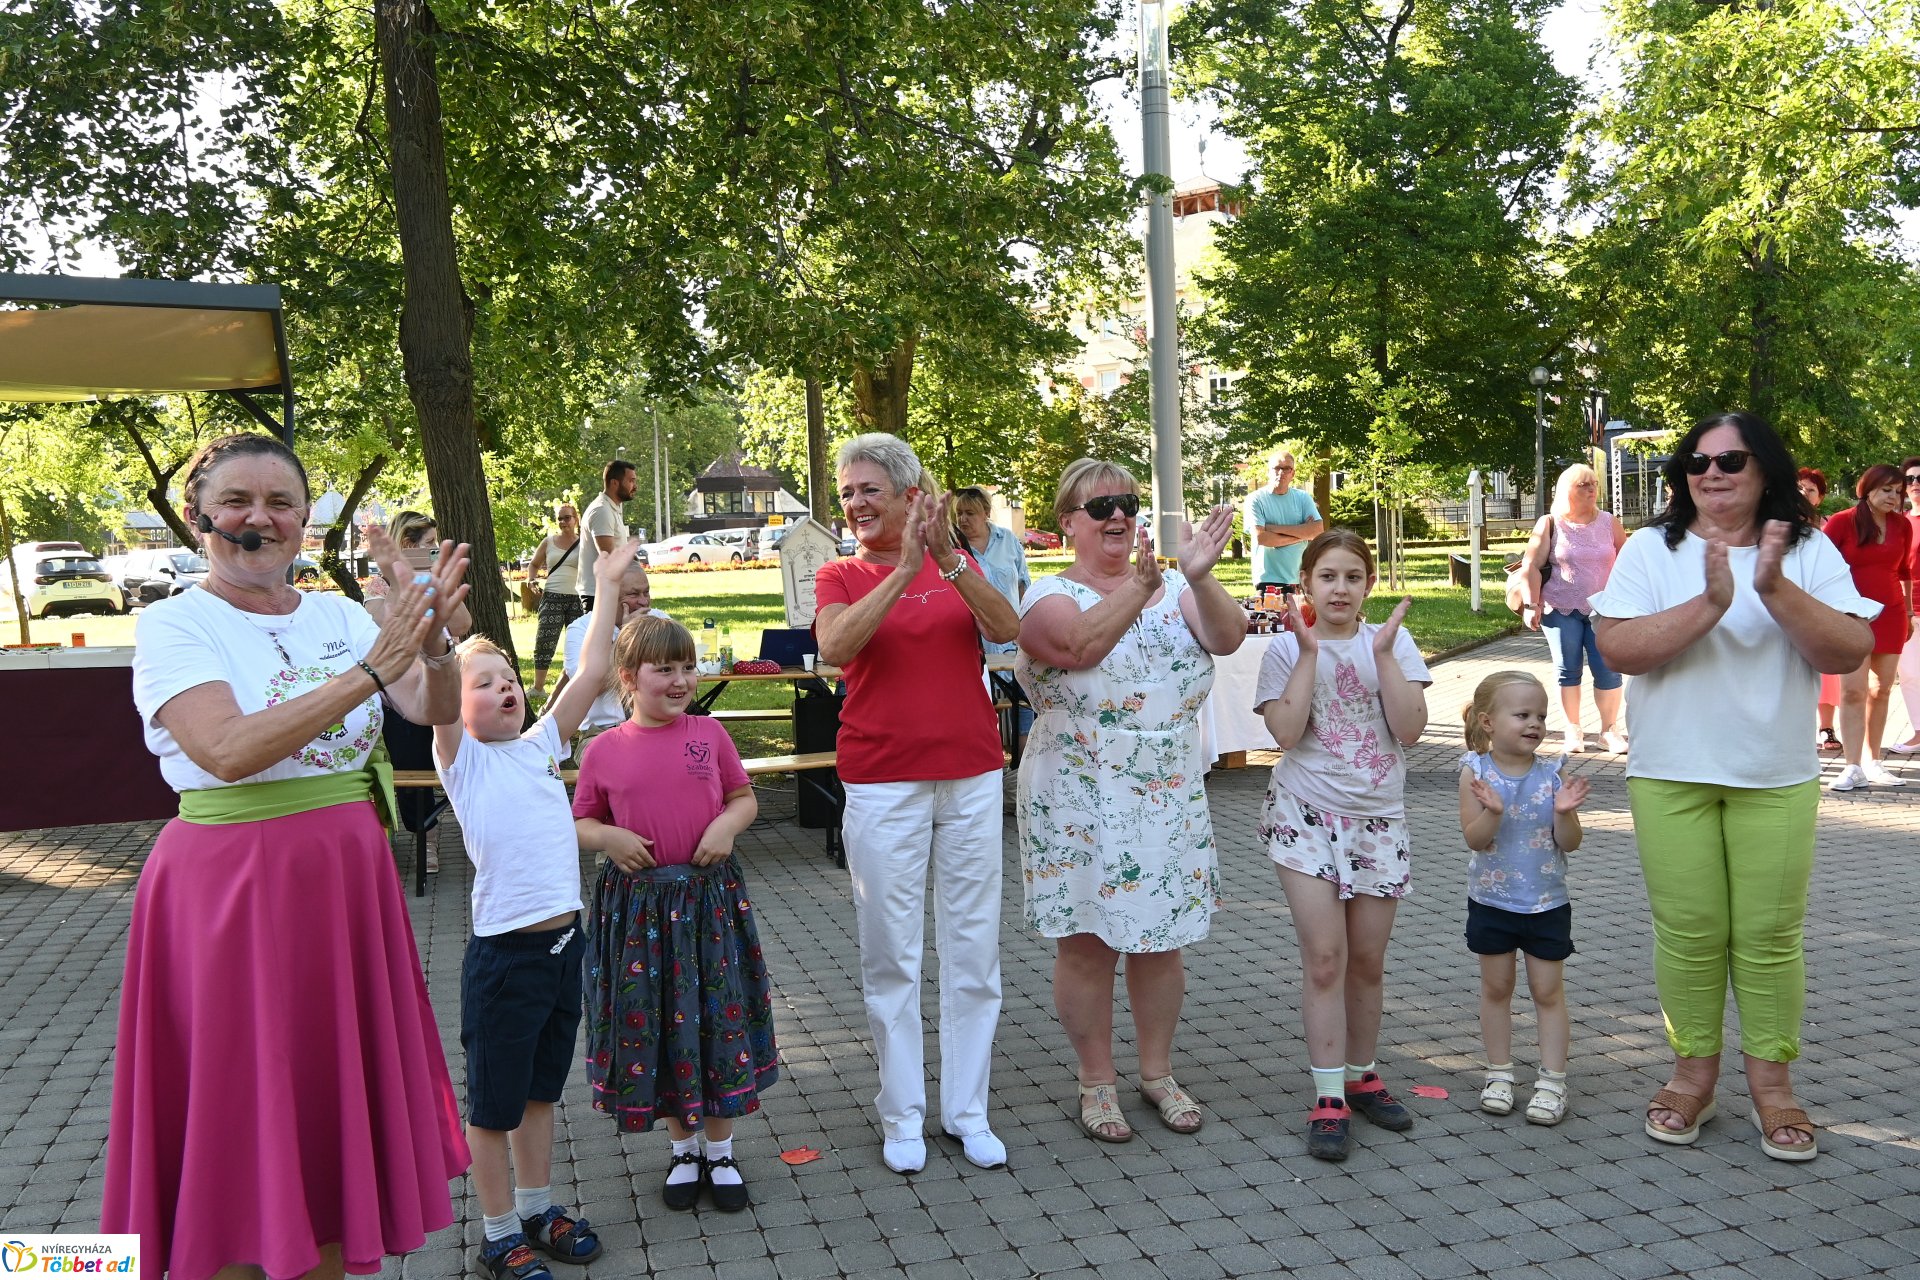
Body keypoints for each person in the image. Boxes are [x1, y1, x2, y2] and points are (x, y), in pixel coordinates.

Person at [104, 432, 473, 1280]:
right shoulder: (174, 623)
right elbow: (227, 748)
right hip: (230, 890)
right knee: (239, 1106)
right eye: (237, 501)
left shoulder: (338, 615)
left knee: (326, 1105)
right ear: (199, 515)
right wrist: (371, 671)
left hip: (343, 881)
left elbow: (432, 706)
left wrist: (432, 644)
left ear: (306, 520)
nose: (259, 518)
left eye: (280, 503)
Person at [1591, 411, 1875, 1162]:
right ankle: (1693, 1078)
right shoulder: (1652, 548)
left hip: (1774, 774)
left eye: (1731, 460)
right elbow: (1618, 648)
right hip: (1670, 772)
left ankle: (1773, 1088)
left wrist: (1772, 587)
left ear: (1764, 470)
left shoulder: (1805, 548)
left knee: (1769, 938)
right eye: (1698, 461)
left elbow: (1849, 650)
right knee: (1689, 934)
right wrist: (1710, 605)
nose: (1711, 473)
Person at [1016, 460, 1243, 1144]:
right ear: (1068, 522)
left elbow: (1228, 638)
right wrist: (1140, 586)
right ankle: (1096, 1080)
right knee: (1087, 944)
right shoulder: (1047, 594)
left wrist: (1199, 577)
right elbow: (1077, 647)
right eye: (1100, 507)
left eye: (1128, 503)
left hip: (1165, 790)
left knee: (1161, 943)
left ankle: (1157, 1073)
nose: (1118, 515)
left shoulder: (1174, 588)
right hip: (1078, 791)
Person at [813, 432, 1021, 1175]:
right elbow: (837, 647)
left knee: (974, 950)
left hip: (971, 775)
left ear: (911, 495)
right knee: (892, 954)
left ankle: (968, 1112)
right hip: (883, 782)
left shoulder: (957, 564)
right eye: (847, 492)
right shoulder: (840, 573)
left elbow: (1007, 629)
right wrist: (901, 571)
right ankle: (902, 1115)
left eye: (869, 489)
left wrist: (946, 561)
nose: (855, 503)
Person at [430, 538, 637, 1280]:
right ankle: (497, 1233)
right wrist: (443, 633)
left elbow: (591, 670)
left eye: (509, 678)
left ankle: (537, 1208)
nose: (504, 689)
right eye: (483, 684)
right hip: (506, 961)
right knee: (495, 1106)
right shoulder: (463, 759)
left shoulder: (542, 744)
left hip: (562, 950)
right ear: (457, 708)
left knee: (541, 1094)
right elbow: (438, 696)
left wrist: (605, 586)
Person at [572, 616, 777, 1212]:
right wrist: (608, 837)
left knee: (715, 1017)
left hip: (708, 905)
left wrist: (727, 825)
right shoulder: (603, 749)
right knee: (658, 1021)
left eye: (688, 667)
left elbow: (743, 798)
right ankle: (683, 1149)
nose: (681, 680)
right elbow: (581, 821)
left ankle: (721, 1151)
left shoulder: (708, 735)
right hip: (639, 912)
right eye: (664, 669)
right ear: (628, 678)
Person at [1254, 528, 1430, 1162]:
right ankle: (1328, 1094)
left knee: (1368, 961)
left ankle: (1361, 1075)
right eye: (1327, 576)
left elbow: (1410, 730)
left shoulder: (1393, 641)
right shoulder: (1284, 648)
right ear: (1306, 583)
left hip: (1377, 819)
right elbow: (1283, 733)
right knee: (1326, 959)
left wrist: (1382, 656)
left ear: (1369, 585)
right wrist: (1307, 655)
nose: (1340, 589)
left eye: (1353, 577)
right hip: (1304, 815)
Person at [1458, 671, 1590, 1127]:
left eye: (1541, 716)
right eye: (1522, 715)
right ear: (1488, 722)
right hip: (1492, 903)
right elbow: (1475, 840)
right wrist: (1493, 812)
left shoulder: (1553, 774)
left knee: (1547, 992)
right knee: (1496, 990)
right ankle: (1499, 1074)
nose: (1535, 723)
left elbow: (1570, 843)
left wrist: (1565, 814)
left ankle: (1553, 1081)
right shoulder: (1475, 772)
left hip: (1547, 904)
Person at [1516, 464, 1629, 754]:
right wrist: (1530, 604)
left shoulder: (1609, 522)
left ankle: (1609, 730)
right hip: (1560, 607)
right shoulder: (1550, 523)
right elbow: (1531, 566)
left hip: (1603, 609)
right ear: (1568, 490)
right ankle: (1573, 729)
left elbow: (1629, 560)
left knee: (1608, 669)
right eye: (1583, 485)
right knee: (1568, 669)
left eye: (1594, 484)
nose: (1591, 489)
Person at [1822, 465, 1914, 791]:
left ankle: (1873, 762)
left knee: (1881, 689)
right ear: (1867, 488)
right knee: (1853, 691)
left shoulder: (1902, 525)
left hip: (1891, 614)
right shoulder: (1841, 521)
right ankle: (1852, 767)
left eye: (1898, 491)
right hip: (1851, 615)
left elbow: (1903, 572)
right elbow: (1821, 566)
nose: (1893, 497)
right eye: (1887, 489)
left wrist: (1908, 612)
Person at [557, 555, 672, 760]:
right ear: (608, 596)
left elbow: (676, 674)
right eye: (633, 594)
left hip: (658, 725)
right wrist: (626, 637)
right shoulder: (581, 630)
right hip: (601, 732)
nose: (644, 601)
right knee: (616, 764)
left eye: (646, 592)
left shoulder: (660, 621)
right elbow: (587, 690)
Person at [952, 486, 1034, 754]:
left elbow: (1022, 585)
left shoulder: (1007, 540)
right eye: (959, 513)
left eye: (970, 513)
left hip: (1012, 643)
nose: (963, 519)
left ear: (986, 512)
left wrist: (1025, 629)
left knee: (1022, 709)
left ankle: (1018, 768)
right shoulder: (953, 547)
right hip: (976, 646)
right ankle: (993, 763)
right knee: (985, 712)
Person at [1798, 469, 1842, 751]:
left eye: (1810, 490)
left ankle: (1827, 727)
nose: (1803, 493)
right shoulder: (1774, 524)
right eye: (1798, 488)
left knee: (1826, 669)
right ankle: (1798, 729)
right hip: (1787, 604)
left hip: (1823, 604)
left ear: (1820, 497)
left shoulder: (1829, 526)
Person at [1245, 449, 1324, 594]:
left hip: (1300, 578)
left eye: (1287, 468)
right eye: (1277, 468)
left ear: (1293, 473)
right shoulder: (1255, 499)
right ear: (1268, 471)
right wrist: (1303, 534)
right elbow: (1262, 538)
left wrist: (1273, 528)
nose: (1281, 472)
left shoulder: (1303, 498)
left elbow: (1318, 531)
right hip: (1268, 580)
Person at [528, 504, 584, 698]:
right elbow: (534, 565)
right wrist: (531, 580)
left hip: (577, 599)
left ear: (576, 519)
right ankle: (538, 689)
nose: (562, 522)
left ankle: (574, 686)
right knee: (545, 641)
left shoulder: (585, 543)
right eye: (559, 518)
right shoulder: (548, 542)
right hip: (552, 597)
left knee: (577, 644)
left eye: (567, 518)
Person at [1890, 455, 1920, 755]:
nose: (1914, 484)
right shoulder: (1898, 522)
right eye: (1909, 479)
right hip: (1907, 609)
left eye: (1919, 478)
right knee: (1910, 674)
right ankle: (1919, 732)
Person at [579, 460, 637, 611]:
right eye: (631, 481)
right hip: (598, 594)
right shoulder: (602, 511)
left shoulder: (611, 508)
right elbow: (608, 557)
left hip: (608, 590)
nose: (635, 486)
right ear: (614, 483)